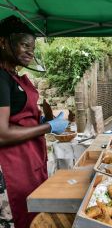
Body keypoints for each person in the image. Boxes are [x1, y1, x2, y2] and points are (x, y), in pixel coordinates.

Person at [0, 15, 68, 228]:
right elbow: (2, 134)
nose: (31, 51)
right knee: (20, 217)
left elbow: (17, 117)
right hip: (11, 166)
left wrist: (38, 120)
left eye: (33, 47)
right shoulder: (0, 78)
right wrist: (48, 126)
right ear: (2, 42)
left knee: (33, 213)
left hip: (28, 161)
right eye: (24, 45)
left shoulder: (13, 77)